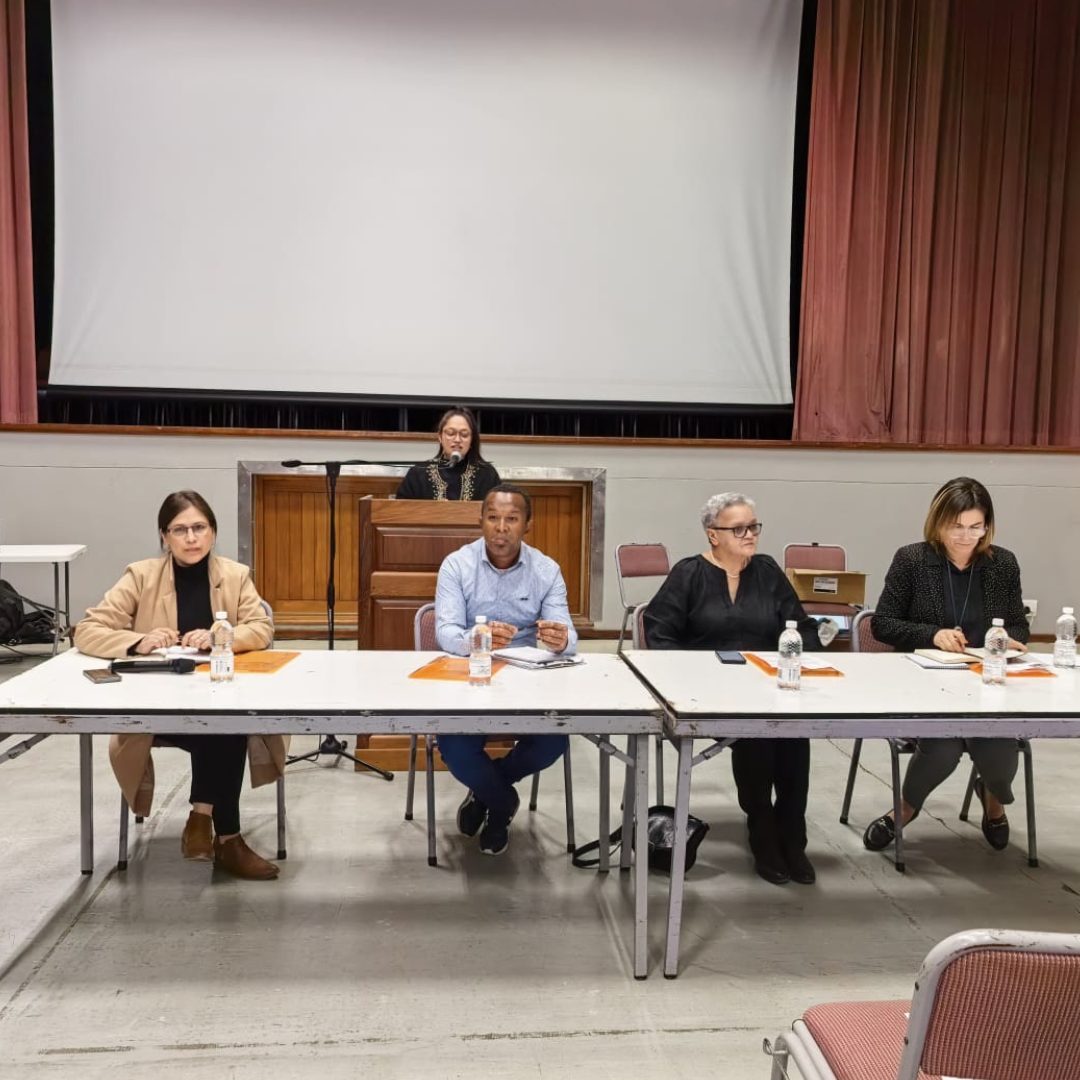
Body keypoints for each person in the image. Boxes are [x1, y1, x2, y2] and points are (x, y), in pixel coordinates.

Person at [74, 490, 283, 881]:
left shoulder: (236, 576)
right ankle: (226, 839)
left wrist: (223, 636)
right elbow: (87, 630)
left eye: (199, 528)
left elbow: (262, 628)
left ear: (213, 533)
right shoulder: (140, 576)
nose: (191, 538)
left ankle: (204, 820)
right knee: (224, 731)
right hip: (158, 708)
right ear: (164, 537)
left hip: (220, 693)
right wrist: (137, 641)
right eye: (180, 529)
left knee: (225, 723)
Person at [644, 493, 828, 886]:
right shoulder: (688, 574)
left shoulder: (766, 571)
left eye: (754, 526)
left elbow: (800, 625)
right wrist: (693, 680)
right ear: (713, 534)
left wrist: (799, 654)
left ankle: (793, 835)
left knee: (797, 732)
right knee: (757, 734)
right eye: (739, 528)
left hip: (768, 685)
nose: (750, 535)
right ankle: (762, 828)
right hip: (707, 695)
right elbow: (659, 635)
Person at [863, 477, 1029, 854]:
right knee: (943, 747)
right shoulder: (912, 560)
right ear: (938, 522)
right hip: (926, 681)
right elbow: (882, 623)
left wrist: (1005, 639)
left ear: (987, 525)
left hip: (986, 682)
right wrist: (932, 634)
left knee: (1000, 750)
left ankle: (992, 797)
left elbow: (1019, 624)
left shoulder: (1003, 563)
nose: (966, 536)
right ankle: (904, 810)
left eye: (976, 526)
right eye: (957, 526)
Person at [434, 484, 577, 855]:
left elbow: (568, 635)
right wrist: (477, 638)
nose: (501, 528)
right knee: (454, 747)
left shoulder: (546, 570)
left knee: (553, 742)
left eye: (512, 519)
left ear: (527, 524)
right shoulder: (457, 564)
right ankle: (501, 802)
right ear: (481, 521)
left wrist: (561, 639)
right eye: (493, 518)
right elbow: (445, 632)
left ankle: (488, 791)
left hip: (529, 681)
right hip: (473, 676)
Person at [396, 406, 501, 501]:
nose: (457, 439)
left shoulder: (487, 474)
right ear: (440, 437)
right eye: (451, 433)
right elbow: (401, 511)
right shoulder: (418, 473)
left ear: (472, 440)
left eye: (464, 435)